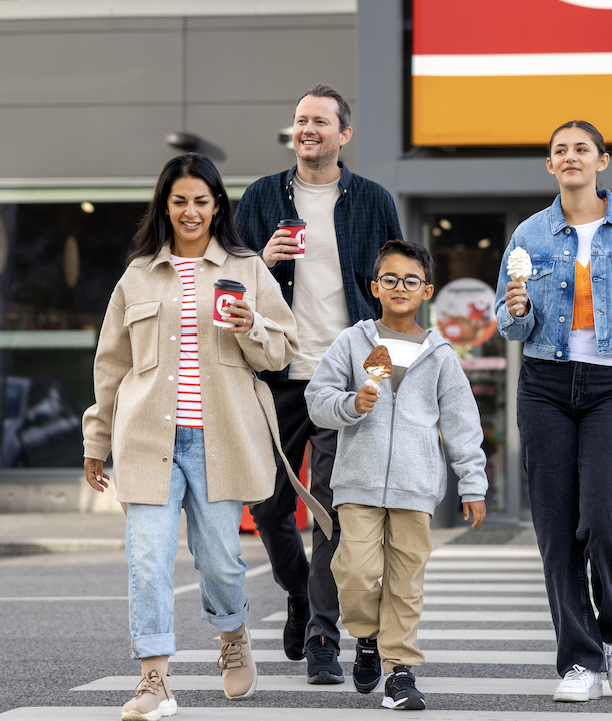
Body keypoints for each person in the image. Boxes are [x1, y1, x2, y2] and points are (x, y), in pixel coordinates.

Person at [83, 153, 317, 721]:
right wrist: (97, 439)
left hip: (222, 438)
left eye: (202, 201)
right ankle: (153, 679)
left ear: (217, 207)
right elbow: (110, 365)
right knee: (147, 561)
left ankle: (232, 635)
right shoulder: (137, 275)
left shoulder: (248, 269)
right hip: (146, 440)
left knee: (220, 561)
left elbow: (282, 351)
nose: (191, 212)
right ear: (165, 206)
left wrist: (250, 325)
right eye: (180, 200)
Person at [494, 120, 612, 703]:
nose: (570, 157)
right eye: (560, 151)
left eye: (582, 149)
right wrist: (515, 306)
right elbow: (511, 328)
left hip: (611, 387)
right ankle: (579, 661)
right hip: (545, 386)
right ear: (549, 166)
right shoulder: (530, 233)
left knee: (605, 516)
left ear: (602, 160)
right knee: (556, 528)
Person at [234, 84, 404, 683]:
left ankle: (323, 639)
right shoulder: (260, 198)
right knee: (269, 506)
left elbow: (396, 294)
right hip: (275, 374)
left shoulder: (374, 201)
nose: (308, 129)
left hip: (341, 380)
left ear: (343, 134)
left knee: (331, 513)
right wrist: (263, 260)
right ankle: (301, 596)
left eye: (321, 122)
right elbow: (225, 285)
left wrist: (382, 379)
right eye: (301, 120)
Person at [305, 239, 488, 710]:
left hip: (416, 485)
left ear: (426, 290)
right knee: (355, 573)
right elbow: (317, 398)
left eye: (411, 280)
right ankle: (366, 637)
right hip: (357, 483)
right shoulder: (352, 342)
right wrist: (351, 404)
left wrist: (473, 484)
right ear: (374, 287)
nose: (400, 287)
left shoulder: (440, 354)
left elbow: (462, 424)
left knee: (407, 581)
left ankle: (400, 671)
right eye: (390, 279)